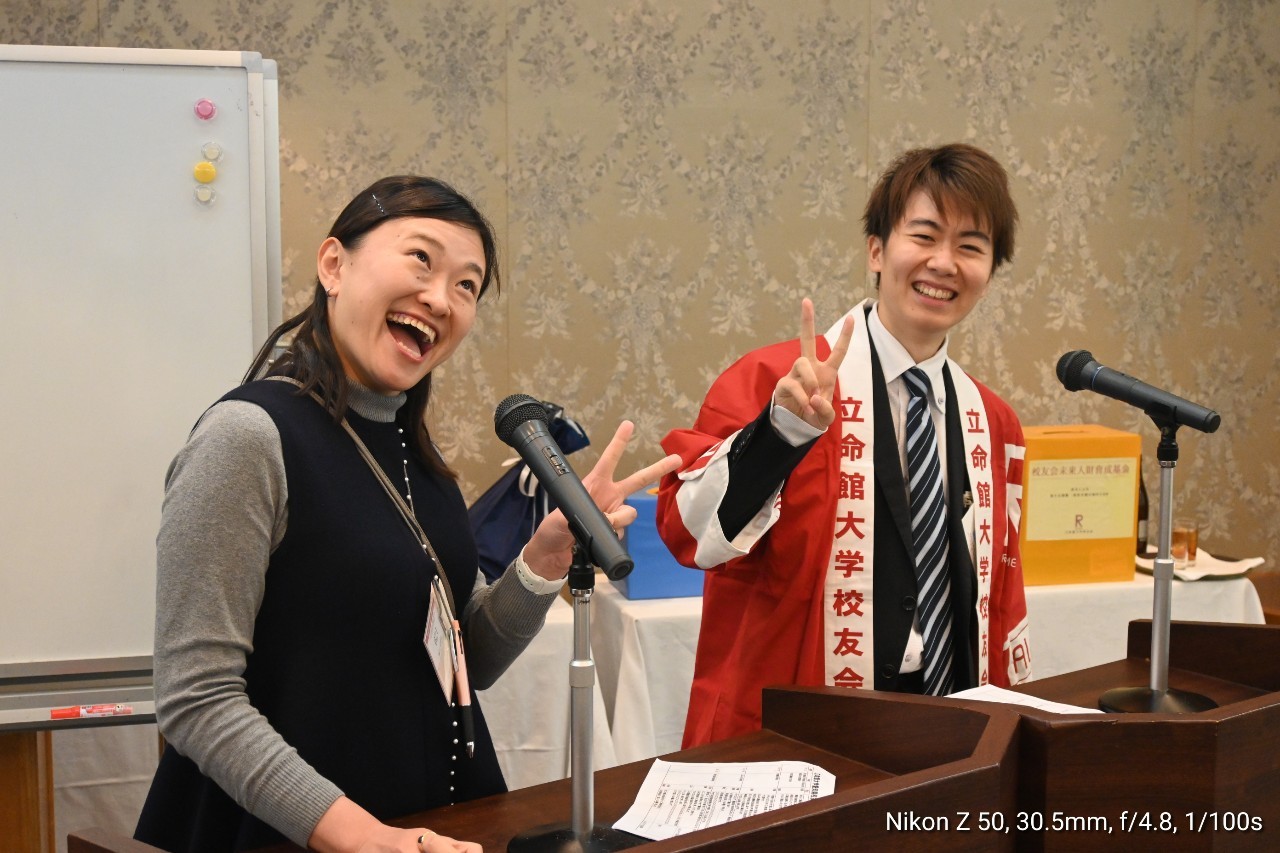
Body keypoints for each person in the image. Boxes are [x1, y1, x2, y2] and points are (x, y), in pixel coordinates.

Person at [134, 175, 679, 852]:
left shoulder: (415, 456)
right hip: (286, 835)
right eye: (422, 259)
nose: (440, 298)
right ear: (334, 264)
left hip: (433, 830)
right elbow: (196, 698)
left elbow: (468, 663)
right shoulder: (246, 438)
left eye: (467, 285)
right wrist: (363, 837)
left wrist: (543, 561)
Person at [656, 143, 1032, 749]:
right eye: (924, 236)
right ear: (877, 250)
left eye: (970, 246)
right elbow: (689, 533)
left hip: (945, 719)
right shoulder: (774, 382)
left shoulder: (993, 422)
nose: (944, 263)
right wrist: (780, 434)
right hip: (797, 724)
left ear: (990, 273)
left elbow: (998, 596)